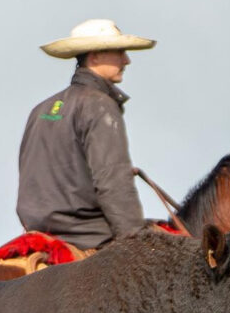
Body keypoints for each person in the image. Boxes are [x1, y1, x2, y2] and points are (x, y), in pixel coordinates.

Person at [16, 19, 155, 251]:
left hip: (37, 232)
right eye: (119, 52)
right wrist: (136, 243)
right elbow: (112, 181)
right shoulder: (100, 105)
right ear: (95, 56)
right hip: (88, 235)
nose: (126, 60)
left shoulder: (41, 109)